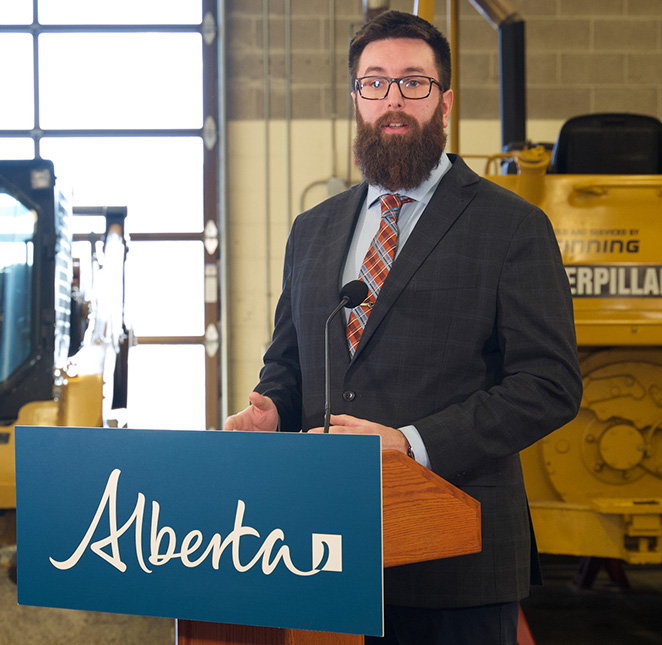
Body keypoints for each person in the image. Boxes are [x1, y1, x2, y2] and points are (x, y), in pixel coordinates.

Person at [225, 10, 583, 645]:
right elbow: (289, 362)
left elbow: (550, 384)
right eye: (375, 82)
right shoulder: (312, 229)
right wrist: (272, 411)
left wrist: (411, 444)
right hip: (323, 551)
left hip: (456, 563)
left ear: (445, 101)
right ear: (356, 99)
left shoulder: (512, 226)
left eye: (414, 82)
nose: (394, 100)